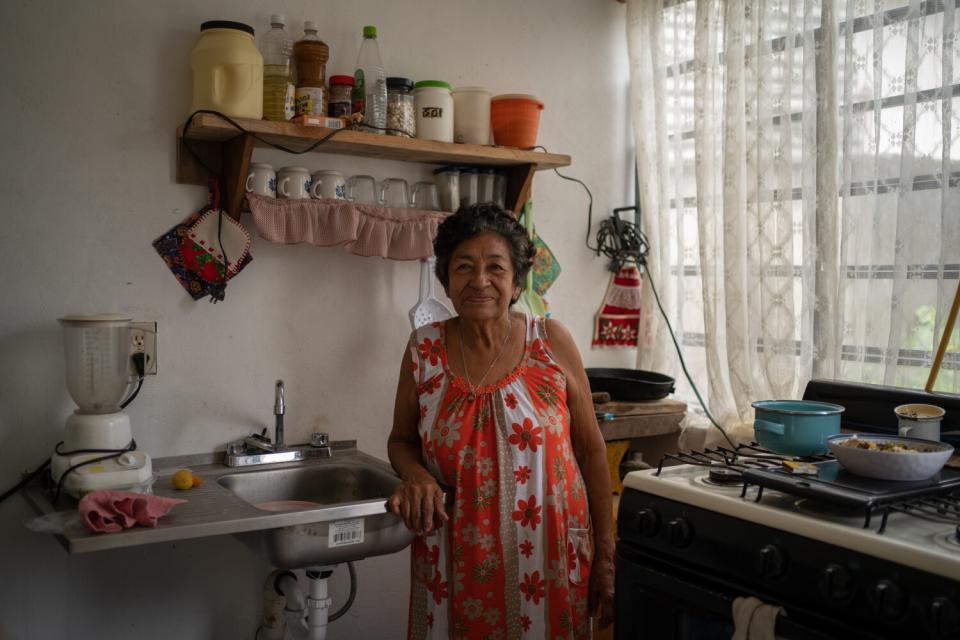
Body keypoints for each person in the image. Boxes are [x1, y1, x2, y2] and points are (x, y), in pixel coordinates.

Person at [387, 203, 615, 639]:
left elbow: (591, 451)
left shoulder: (551, 341)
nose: (479, 281)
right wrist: (416, 476)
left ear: (515, 281)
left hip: (547, 560)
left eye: (495, 267)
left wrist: (605, 557)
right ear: (446, 279)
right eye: (464, 267)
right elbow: (400, 441)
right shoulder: (424, 349)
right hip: (455, 560)